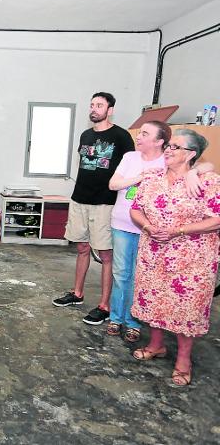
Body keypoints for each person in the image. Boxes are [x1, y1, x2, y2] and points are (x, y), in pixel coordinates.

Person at [129, 129, 220, 386]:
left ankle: (183, 360)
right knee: (154, 299)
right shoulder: (152, 179)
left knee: (186, 308)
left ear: (191, 154)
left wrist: (178, 230)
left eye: (175, 147)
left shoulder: (209, 181)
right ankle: (156, 345)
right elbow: (136, 210)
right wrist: (148, 226)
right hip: (154, 252)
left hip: (192, 258)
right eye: (168, 145)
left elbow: (216, 219)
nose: (168, 150)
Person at [107, 121, 210, 342]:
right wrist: (142, 177)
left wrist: (194, 173)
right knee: (121, 274)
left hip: (153, 233)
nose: (139, 136)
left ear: (159, 141)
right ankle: (116, 318)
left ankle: (133, 322)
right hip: (126, 224)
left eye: (145, 133)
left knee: (142, 278)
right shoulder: (130, 158)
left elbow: (205, 166)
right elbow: (113, 185)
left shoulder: (170, 158)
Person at [52, 92, 134, 325]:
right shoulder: (86, 134)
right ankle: (77, 294)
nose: (94, 109)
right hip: (80, 199)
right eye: (92, 105)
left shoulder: (121, 136)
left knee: (106, 254)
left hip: (105, 202)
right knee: (81, 247)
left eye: (99, 105)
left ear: (110, 110)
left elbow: (129, 168)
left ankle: (104, 306)